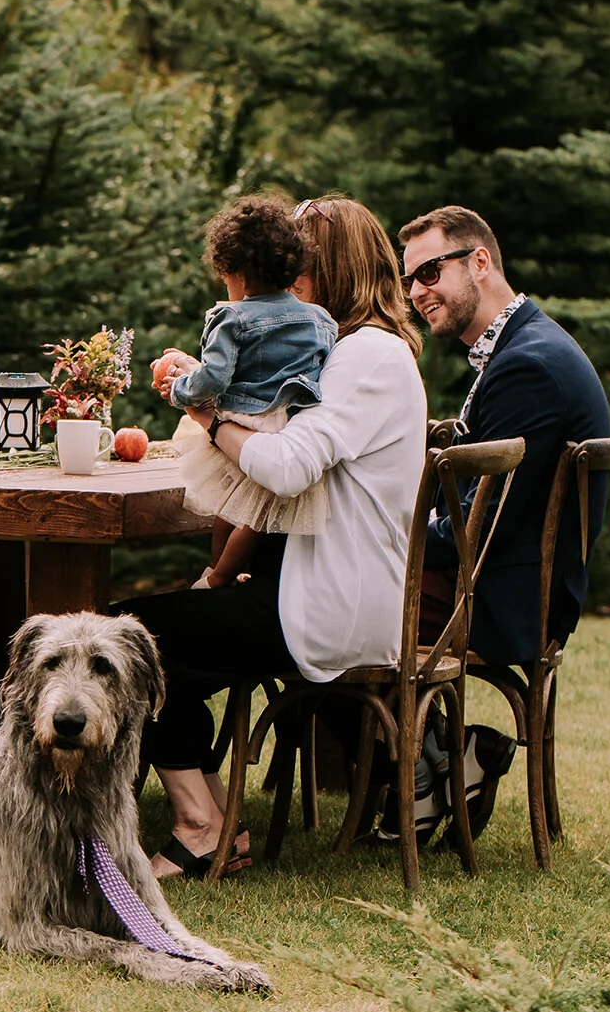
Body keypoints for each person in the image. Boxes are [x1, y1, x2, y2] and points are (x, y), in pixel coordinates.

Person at [124, 194, 428, 879]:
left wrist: (205, 410)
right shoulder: (349, 349)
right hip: (310, 584)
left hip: (329, 602)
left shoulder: (366, 357)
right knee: (151, 628)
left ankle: (202, 823)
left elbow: (285, 470)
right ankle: (213, 815)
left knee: (126, 637)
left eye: (300, 266)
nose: (285, 281)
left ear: (330, 272)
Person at [400, 204, 610, 674]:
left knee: (331, 603)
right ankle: (428, 741)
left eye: (430, 272)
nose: (417, 292)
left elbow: (479, 531)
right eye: (409, 280)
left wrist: (390, 537)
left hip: (500, 602)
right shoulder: (524, 348)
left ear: (479, 263)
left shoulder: (528, 367)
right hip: (495, 585)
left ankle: (414, 746)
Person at [156, 197, 339, 590]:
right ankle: (227, 575)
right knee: (251, 511)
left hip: (243, 422)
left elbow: (215, 379)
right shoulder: (321, 317)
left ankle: (218, 576)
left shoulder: (231, 317)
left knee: (237, 508)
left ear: (236, 273)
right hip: (289, 423)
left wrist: (180, 391)